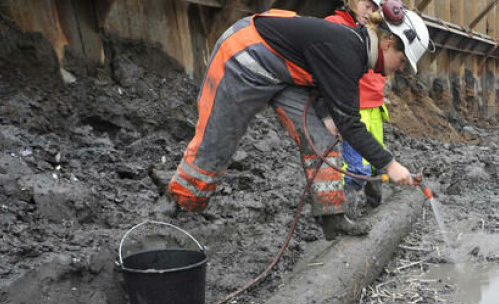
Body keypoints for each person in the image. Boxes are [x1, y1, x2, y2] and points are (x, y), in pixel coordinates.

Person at [156, 5, 429, 240]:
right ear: (388, 43)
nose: (400, 68)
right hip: (245, 55)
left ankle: (333, 218)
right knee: (219, 140)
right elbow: (350, 123)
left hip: (283, 71)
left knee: (321, 139)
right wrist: (390, 164)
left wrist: (326, 117)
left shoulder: (355, 52)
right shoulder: (348, 51)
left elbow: (324, 81)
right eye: (402, 61)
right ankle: (176, 203)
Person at [326, 0, 390, 215]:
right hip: (353, 108)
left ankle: (374, 209)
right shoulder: (335, 25)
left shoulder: (377, 31)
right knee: (355, 169)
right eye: (367, 5)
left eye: (374, 8)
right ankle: (345, 216)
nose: (370, 12)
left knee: (377, 162)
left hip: (375, 106)